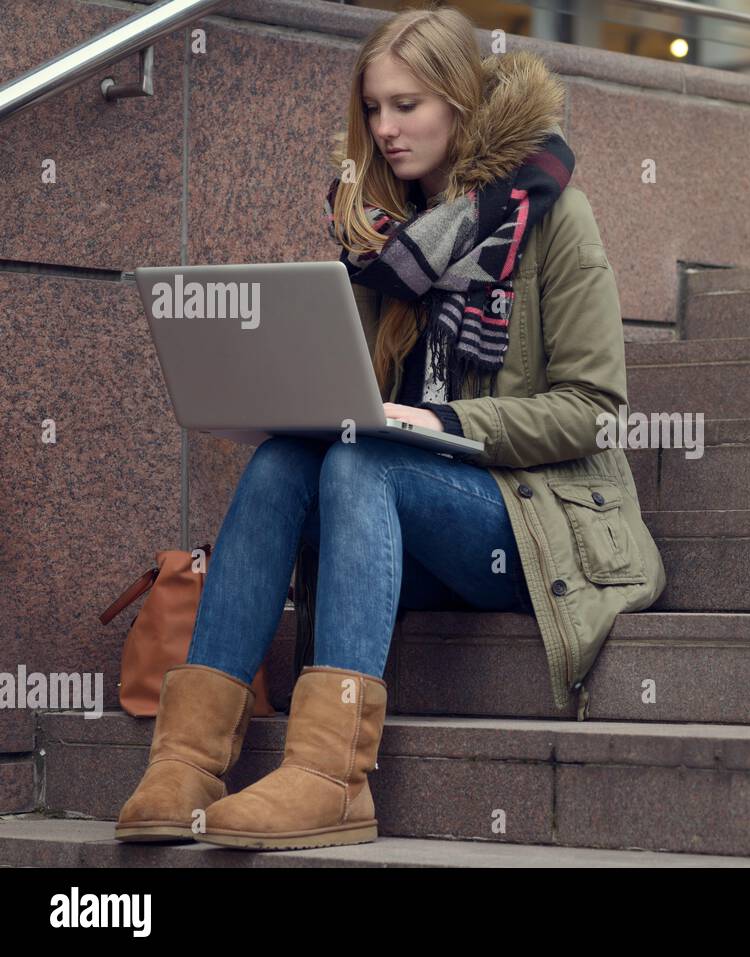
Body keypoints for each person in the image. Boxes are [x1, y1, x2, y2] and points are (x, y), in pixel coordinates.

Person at [115, 3, 666, 851]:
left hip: (529, 522)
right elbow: (353, 398)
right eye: (374, 108)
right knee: (286, 461)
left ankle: (333, 777)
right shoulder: (383, 243)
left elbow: (592, 409)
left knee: (358, 466)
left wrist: (436, 418)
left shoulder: (554, 220)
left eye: (407, 105)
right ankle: (185, 760)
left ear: (460, 102)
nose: (386, 126)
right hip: (401, 524)